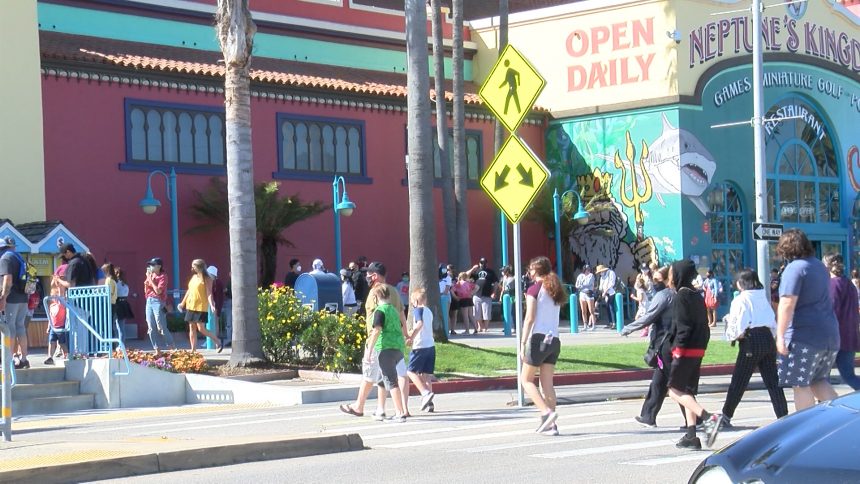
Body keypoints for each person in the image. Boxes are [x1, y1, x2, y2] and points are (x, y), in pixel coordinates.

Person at [775, 229, 840, 412]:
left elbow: (787, 303)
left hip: (804, 336)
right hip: (828, 334)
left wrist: (780, 336)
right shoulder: (819, 266)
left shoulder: (794, 268)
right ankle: (843, 420)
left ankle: (806, 426)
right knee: (818, 381)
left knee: (800, 383)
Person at [666, 259, 723, 450]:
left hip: (685, 349)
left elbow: (682, 327)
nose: (670, 276)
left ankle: (708, 418)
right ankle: (691, 436)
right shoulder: (697, 295)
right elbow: (703, 326)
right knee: (688, 391)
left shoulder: (681, 296)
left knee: (674, 391)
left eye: (672, 273)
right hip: (698, 348)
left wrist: (677, 351)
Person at [720, 269, 788, 428]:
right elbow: (771, 319)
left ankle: (726, 415)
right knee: (773, 380)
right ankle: (783, 415)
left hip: (751, 338)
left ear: (739, 283)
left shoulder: (741, 299)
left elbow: (739, 322)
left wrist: (734, 335)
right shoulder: (762, 297)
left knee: (739, 379)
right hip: (767, 337)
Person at [338, 261, 405, 419]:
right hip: (393, 341)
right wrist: (405, 334)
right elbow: (402, 314)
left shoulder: (376, 292)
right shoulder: (394, 291)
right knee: (383, 377)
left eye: (368, 274)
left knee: (369, 374)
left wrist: (369, 347)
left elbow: (377, 323)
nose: (366, 277)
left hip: (378, 341)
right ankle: (381, 409)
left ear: (374, 276)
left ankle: (359, 406)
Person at [621, 266, 677, 428]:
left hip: (664, 344)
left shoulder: (664, 296)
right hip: (670, 344)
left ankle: (700, 417)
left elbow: (649, 317)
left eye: (658, 279)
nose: (654, 282)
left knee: (675, 387)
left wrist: (628, 328)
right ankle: (648, 415)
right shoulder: (677, 294)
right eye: (654, 278)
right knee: (661, 382)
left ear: (668, 280)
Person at [520, 256, 567, 436]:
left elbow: (530, 317)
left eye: (531, 269)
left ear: (536, 271)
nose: (529, 272)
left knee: (526, 380)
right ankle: (552, 426)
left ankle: (546, 412)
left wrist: (523, 342)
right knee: (547, 384)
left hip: (538, 338)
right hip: (554, 340)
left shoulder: (534, 289)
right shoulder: (554, 289)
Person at [364, 285, 409, 422]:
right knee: (381, 379)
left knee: (390, 380)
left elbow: (376, 331)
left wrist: (369, 350)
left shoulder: (380, 311)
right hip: (397, 347)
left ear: (376, 298)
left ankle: (399, 412)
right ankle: (380, 410)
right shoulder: (394, 310)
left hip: (385, 348)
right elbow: (401, 325)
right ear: (389, 296)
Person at [823, 254, 860, 390]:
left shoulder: (833, 284)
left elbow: (831, 311)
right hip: (850, 335)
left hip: (834, 336)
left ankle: (823, 405)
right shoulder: (849, 284)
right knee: (848, 375)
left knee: (822, 377)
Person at [178, 259, 222, 353]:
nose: (192, 268)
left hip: (201, 306)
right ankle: (193, 350)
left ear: (199, 267)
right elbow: (189, 291)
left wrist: (212, 305)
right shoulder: (194, 277)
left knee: (201, 328)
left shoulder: (207, 278)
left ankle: (217, 341)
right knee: (191, 327)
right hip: (191, 305)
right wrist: (182, 303)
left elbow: (209, 293)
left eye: (193, 266)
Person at [0, 236, 31, 368]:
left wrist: (3, 297)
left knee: (9, 328)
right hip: (23, 297)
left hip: (11, 299)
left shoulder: (5, 258)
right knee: (20, 327)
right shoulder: (19, 257)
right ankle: (24, 359)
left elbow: (8, 279)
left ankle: (9, 360)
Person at [405, 287, 436, 413]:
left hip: (420, 346)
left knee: (410, 371)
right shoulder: (429, 311)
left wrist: (411, 337)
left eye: (412, 301)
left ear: (416, 301)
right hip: (430, 346)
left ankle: (425, 393)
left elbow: (419, 324)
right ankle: (430, 404)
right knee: (426, 375)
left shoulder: (418, 310)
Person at [142, 257, 175, 351]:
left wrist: (150, 279)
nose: (150, 267)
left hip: (158, 301)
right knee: (151, 327)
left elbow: (159, 291)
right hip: (149, 301)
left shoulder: (163, 276)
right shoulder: (150, 276)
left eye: (153, 265)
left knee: (161, 326)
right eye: (150, 265)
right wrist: (147, 281)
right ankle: (157, 349)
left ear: (159, 266)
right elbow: (146, 291)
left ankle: (171, 347)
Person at [468, 257, 499, 333]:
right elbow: (465, 276)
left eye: (484, 262)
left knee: (486, 312)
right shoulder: (476, 271)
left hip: (487, 295)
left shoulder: (491, 272)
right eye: (481, 263)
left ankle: (485, 327)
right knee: (477, 313)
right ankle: (480, 327)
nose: (483, 264)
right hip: (476, 295)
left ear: (486, 263)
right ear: (479, 263)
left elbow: (496, 283)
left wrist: (494, 292)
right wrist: (472, 269)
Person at [45, 286, 69, 365]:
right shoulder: (51, 306)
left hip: (60, 327)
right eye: (52, 296)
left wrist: (58, 287)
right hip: (53, 327)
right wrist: (49, 326)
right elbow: (50, 317)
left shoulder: (61, 305)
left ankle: (66, 354)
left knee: (62, 343)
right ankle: (50, 357)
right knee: (51, 342)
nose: (53, 298)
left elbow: (62, 296)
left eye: (55, 296)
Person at [207, 265, 226, 349]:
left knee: (215, 323)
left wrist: (216, 307)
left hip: (216, 305)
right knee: (212, 322)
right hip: (214, 305)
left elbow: (218, 296)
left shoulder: (217, 283)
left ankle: (214, 340)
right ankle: (212, 340)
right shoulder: (213, 282)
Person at [113, 267, 134, 339]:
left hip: (117, 304)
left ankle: (119, 344)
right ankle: (122, 344)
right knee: (121, 326)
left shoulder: (115, 284)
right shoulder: (125, 284)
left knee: (116, 326)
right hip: (124, 303)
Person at [575, 264, 597, 331]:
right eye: (587, 269)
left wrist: (581, 285)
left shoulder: (591, 275)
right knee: (583, 310)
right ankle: (585, 325)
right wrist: (581, 286)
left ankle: (593, 325)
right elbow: (577, 285)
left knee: (591, 310)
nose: (588, 270)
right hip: (582, 293)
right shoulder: (580, 276)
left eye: (589, 269)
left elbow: (588, 283)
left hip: (589, 293)